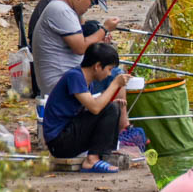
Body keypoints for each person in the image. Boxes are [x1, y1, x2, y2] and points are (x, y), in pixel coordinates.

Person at [42, 42, 129, 173]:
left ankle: (101, 155)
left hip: (68, 134)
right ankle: (92, 160)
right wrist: (115, 84)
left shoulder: (88, 82)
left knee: (112, 107)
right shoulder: (75, 76)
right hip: (59, 142)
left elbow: (91, 107)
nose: (110, 74)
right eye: (109, 69)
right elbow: (95, 108)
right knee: (110, 108)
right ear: (98, 66)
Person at [31, 0, 120, 97]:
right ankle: (120, 115)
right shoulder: (61, 10)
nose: (90, 6)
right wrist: (105, 29)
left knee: (111, 71)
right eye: (92, 1)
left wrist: (98, 42)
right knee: (117, 76)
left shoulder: (65, 9)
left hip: (71, 78)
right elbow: (80, 48)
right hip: (61, 84)